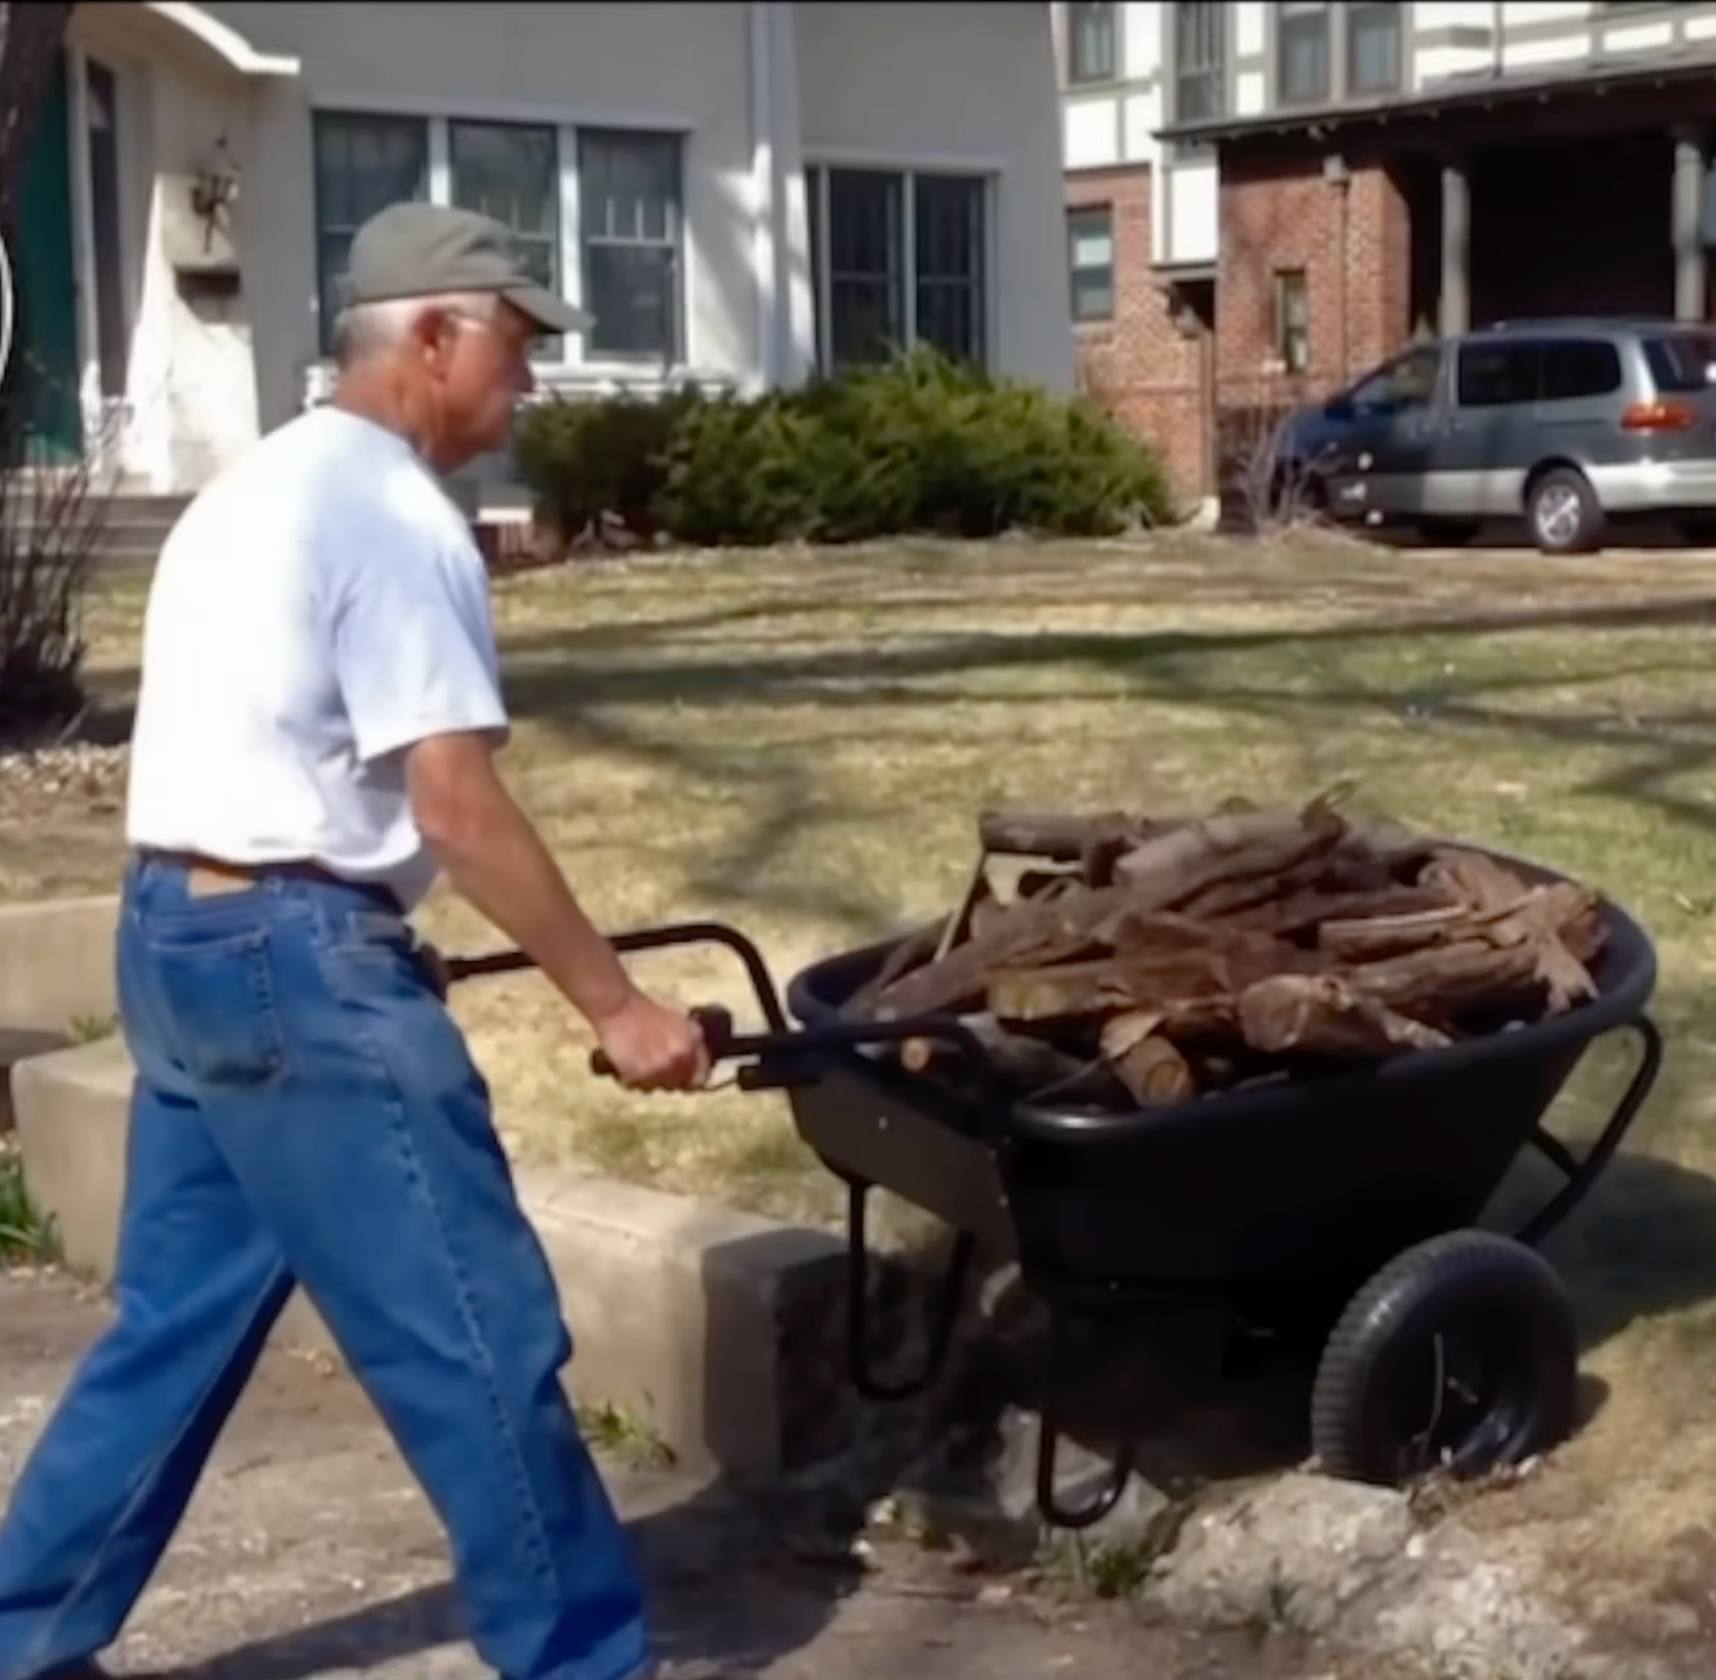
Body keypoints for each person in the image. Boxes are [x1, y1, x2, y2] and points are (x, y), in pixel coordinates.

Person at [0, 201, 711, 1680]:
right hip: (290, 967)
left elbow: (277, 754)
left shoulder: (255, 488)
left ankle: (20, 1638)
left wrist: (361, 939)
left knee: (169, 1338)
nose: (526, 387)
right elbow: (453, 801)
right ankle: (585, 1661)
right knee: (477, 1341)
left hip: (182, 943)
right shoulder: (395, 514)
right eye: (513, 350)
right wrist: (617, 1006)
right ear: (431, 337)